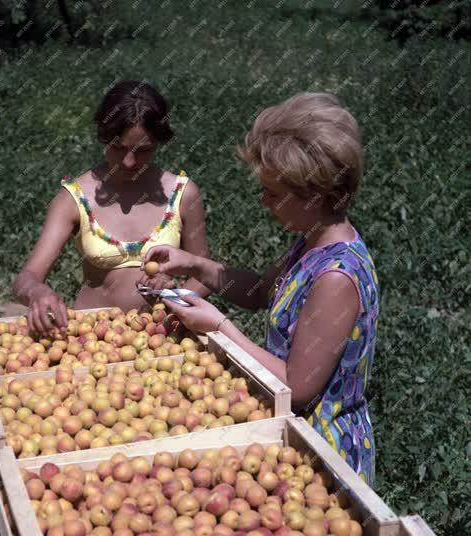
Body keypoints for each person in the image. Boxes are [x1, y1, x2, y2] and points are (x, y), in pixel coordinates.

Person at [143, 92, 380, 485]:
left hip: (320, 455)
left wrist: (220, 328)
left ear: (314, 195)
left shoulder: (336, 278)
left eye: (273, 193)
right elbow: (258, 292)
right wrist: (195, 264)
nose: (263, 201)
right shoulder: (312, 242)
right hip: (288, 434)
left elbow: (298, 387)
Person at [13, 80, 210, 335]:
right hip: (92, 338)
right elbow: (26, 277)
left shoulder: (182, 195)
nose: (129, 162)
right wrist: (36, 291)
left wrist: (173, 295)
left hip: (161, 339)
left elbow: (206, 273)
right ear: (104, 138)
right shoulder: (74, 198)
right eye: (118, 148)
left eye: (143, 151)